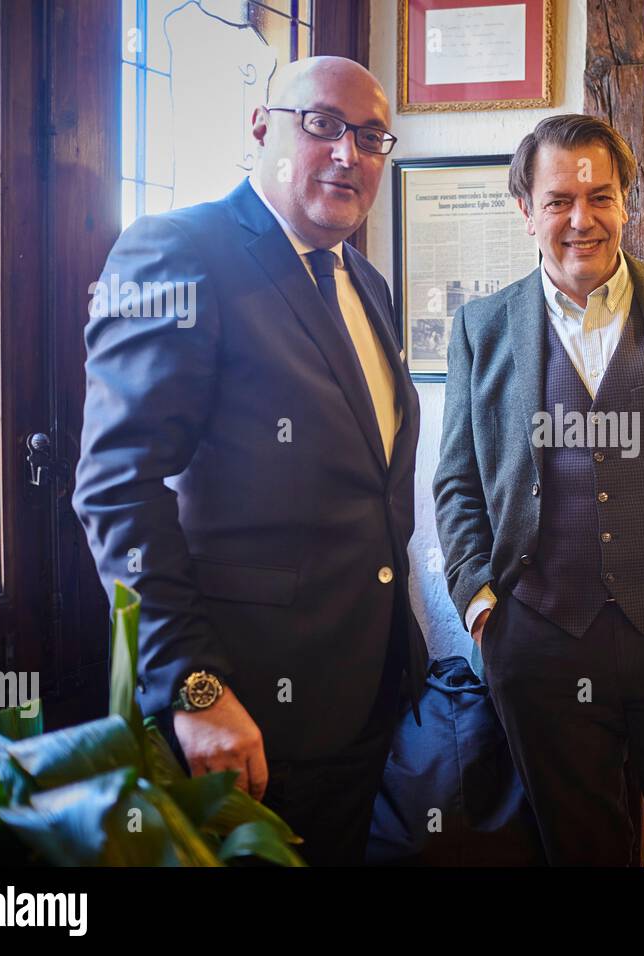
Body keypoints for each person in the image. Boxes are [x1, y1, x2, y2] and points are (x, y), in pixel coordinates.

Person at [72, 56, 426, 866]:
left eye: (372, 137)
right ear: (261, 127)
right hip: (238, 711)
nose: (349, 153)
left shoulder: (365, 281)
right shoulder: (175, 250)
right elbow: (117, 485)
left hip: (363, 698)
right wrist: (196, 690)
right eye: (324, 125)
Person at [432, 113, 644, 866]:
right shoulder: (481, 329)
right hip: (543, 639)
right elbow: (457, 479)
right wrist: (481, 603)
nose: (580, 219)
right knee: (580, 848)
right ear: (526, 212)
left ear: (629, 204)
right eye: (558, 201)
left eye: (600, 197)